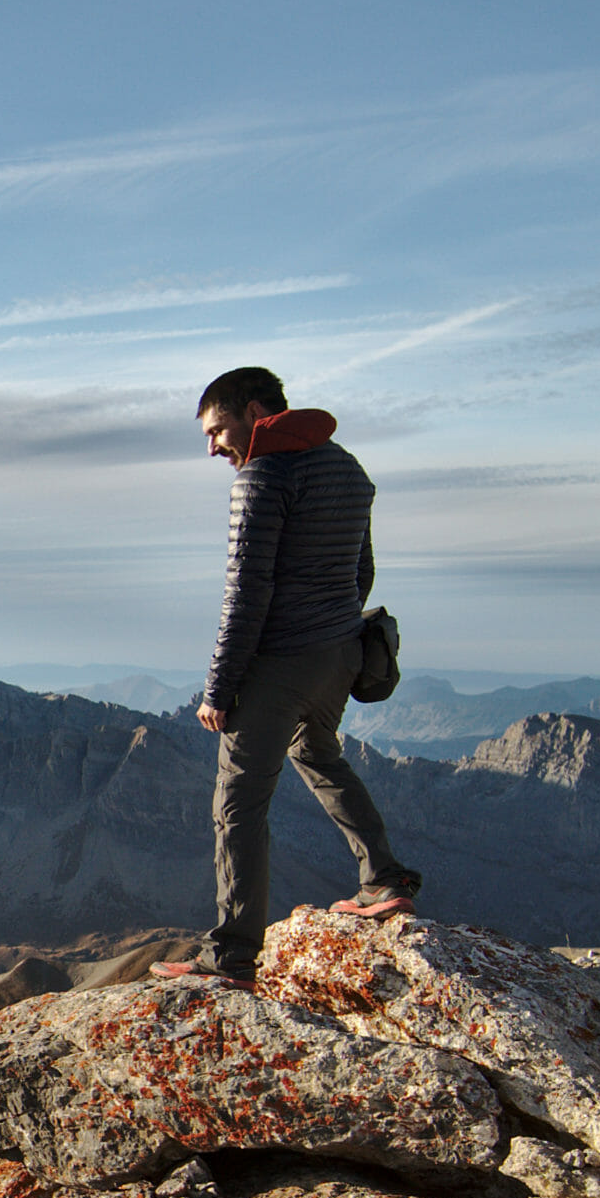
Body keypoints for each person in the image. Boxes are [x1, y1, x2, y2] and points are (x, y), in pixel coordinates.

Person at [152, 366, 419, 993]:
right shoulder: (347, 468)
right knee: (318, 752)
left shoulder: (262, 475)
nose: (212, 446)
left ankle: (233, 957)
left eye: (217, 430)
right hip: (340, 653)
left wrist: (219, 689)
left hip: (279, 662)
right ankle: (383, 879)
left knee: (237, 807)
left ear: (252, 411)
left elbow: (245, 591)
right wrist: (328, 631)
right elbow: (362, 573)